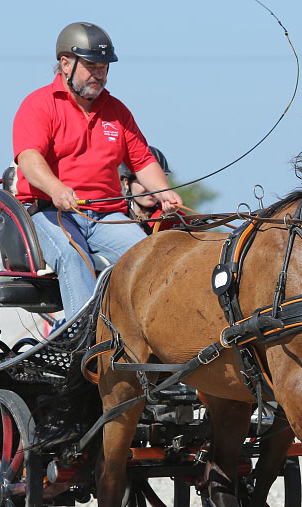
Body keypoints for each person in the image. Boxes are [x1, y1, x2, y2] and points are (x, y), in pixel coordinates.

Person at [12, 21, 181, 319]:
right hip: (50, 212)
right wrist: (56, 189)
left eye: (104, 66)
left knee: (149, 256)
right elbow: (29, 159)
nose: (99, 73)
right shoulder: (39, 105)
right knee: (72, 256)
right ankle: (83, 340)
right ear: (65, 63)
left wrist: (165, 193)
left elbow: (142, 161)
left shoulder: (116, 111)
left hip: (107, 215)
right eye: (91, 65)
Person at [118, 146, 186, 234]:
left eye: (156, 182)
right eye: (144, 182)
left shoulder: (178, 220)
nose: (151, 189)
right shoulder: (116, 218)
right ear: (127, 183)